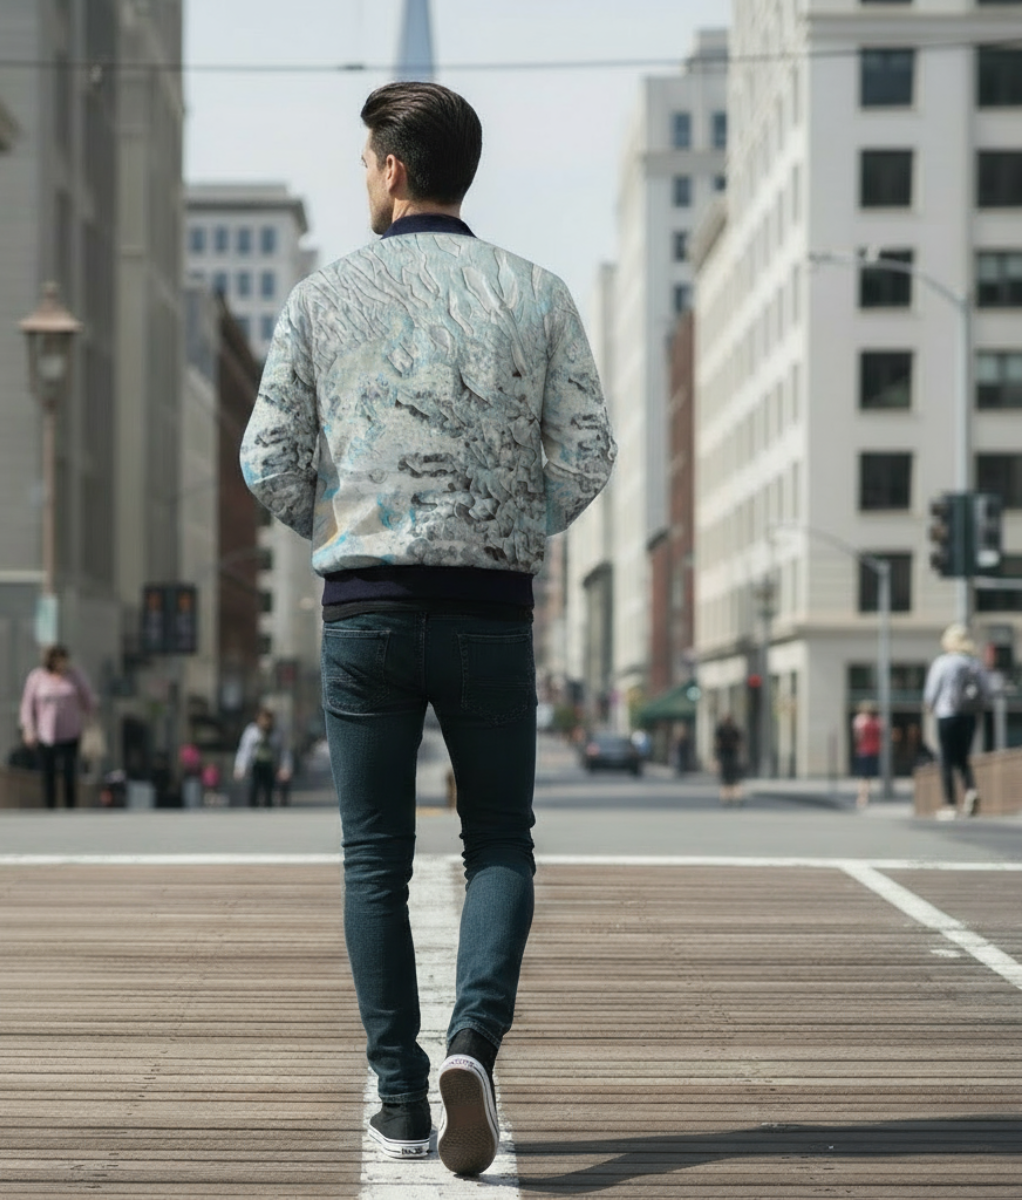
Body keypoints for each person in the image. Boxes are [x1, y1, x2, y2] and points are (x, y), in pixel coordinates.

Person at [240, 82, 615, 1175]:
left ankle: (401, 1101)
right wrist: (506, 524)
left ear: (394, 169)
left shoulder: (322, 297)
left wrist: (350, 519)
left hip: (367, 608)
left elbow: (267, 458)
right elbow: (587, 453)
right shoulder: (534, 294)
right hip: (489, 608)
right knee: (499, 839)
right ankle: (472, 1046)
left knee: (375, 858)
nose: (363, 176)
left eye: (365, 162)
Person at [923, 623, 990, 818]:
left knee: (946, 757)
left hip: (947, 714)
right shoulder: (975, 663)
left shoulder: (943, 662)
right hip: (969, 715)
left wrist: (930, 706)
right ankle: (970, 790)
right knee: (963, 757)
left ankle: (949, 804)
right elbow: (985, 691)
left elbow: (932, 691)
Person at [19, 644, 96, 809]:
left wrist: (92, 716)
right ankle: (49, 808)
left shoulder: (75, 676)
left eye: (63, 659)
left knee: (69, 773)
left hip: (70, 733)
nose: (61, 663)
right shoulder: (37, 677)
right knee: (48, 775)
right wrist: (28, 729)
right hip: (46, 734)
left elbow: (88, 700)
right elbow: (27, 706)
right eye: (57, 659)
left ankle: (70, 807)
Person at [233, 708, 292, 807]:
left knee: (269, 790)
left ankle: (268, 810)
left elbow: (284, 752)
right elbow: (244, 751)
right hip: (256, 765)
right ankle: (253, 810)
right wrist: (240, 767)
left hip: (269, 766)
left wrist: (285, 768)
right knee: (253, 789)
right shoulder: (251, 732)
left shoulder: (277, 733)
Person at [851, 700, 882, 809]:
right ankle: (865, 796)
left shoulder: (860, 721)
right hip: (873, 750)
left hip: (864, 751)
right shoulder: (877, 721)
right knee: (867, 776)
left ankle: (862, 797)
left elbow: (858, 736)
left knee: (863, 776)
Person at [714, 714, 743, 806]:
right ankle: (727, 797)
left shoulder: (733, 731)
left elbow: (739, 744)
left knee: (731, 779)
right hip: (726, 756)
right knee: (727, 779)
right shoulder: (722, 730)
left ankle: (732, 797)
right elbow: (717, 744)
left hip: (731, 756)